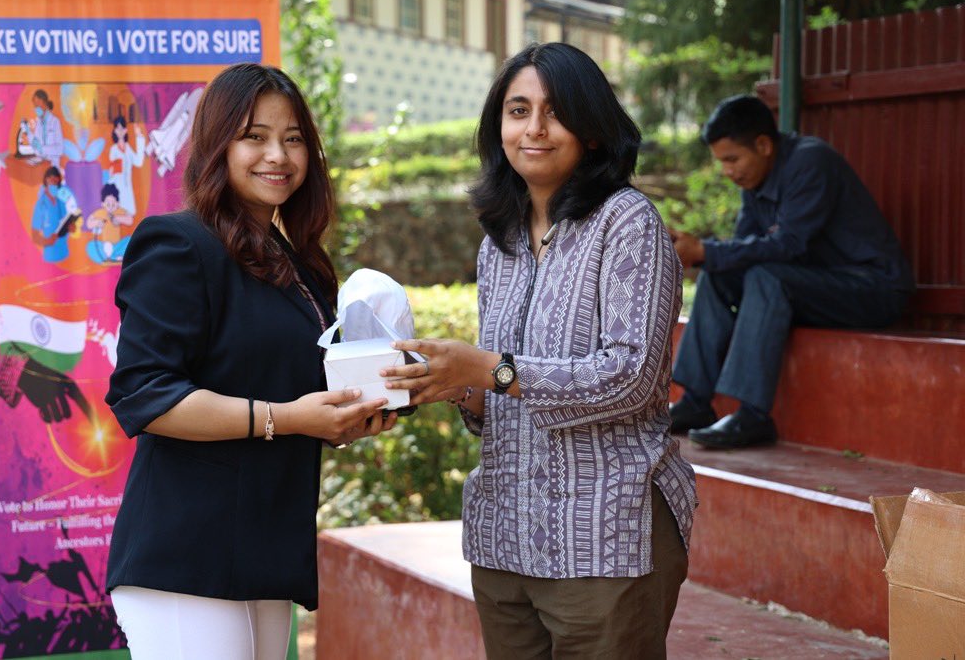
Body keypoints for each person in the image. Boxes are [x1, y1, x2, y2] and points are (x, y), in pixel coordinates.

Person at [381, 43, 697, 659]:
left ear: (595, 130)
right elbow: (498, 393)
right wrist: (456, 386)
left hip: (605, 535)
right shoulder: (497, 242)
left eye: (555, 112)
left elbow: (631, 378)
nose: (534, 129)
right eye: (517, 110)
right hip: (504, 537)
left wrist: (492, 370)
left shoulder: (629, 223)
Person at [104, 63, 398, 660]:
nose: (279, 155)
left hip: (268, 549)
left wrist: (359, 409)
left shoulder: (303, 267)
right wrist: (288, 419)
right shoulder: (176, 243)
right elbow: (146, 396)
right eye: (255, 135)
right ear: (218, 144)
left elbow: (302, 393)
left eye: (294, 139)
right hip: (186, 555)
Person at [669, 94, 914, 449]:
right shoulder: (755, 181)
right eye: (722, 162)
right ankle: (695, 402)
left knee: (765, 277)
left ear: (764, 145)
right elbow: (745, 248)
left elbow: (789, 244)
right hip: (814, 285)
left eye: (733, 159)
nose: (728, 171)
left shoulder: (811, 162)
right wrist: (703, 255)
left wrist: (705, 249)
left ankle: (753, 416)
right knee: (719, 274)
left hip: (873, 290)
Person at [30, 166, 78, 264]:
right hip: (50, 257)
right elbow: (35, 236)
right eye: (50, 179)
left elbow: (65, 224)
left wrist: (72, 228)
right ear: (45, 181)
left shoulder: (62, 201)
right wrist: (47, 241)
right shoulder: (41, 204)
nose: (53, 182)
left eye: (55, 180)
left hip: (65, 254)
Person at [86, 183, 133, 263]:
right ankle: (109, 256)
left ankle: (114, 256)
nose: (111, 206)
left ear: (118, 203)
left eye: (113, 204)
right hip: (105, 247)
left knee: (130, 240)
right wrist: (97, 222)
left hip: (117, 246)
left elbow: (130, 220)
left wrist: (118, 218)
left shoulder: (119, 211)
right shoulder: (100, 212)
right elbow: (88, 223)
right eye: (108, 204)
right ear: (103, 203)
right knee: (90, 246)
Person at [108, 115, 145, 215]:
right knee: (119, 213)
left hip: (128, 188)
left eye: (122, 128)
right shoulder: (113, 149)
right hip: (117, 189)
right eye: (117, 128)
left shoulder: (128, 148)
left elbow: (138, 162)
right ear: (115, 130)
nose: (120, 131)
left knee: (131, 213)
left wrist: (139, 137)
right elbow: (113, 172)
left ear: (125, 130)